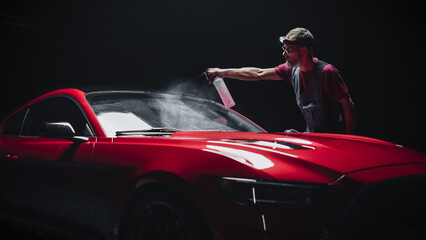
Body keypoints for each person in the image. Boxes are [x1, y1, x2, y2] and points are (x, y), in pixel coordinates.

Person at [206, 27, 355, 134]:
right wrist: (223, 72)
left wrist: (350, 140)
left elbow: (348, 105)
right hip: (313, 138)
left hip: (335, 139)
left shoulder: (327, 72)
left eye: (288, 50)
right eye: (284, 49)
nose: (284, 54)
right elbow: (258, 73)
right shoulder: (291, 71)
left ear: (303, 50)